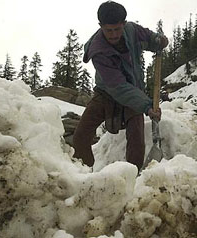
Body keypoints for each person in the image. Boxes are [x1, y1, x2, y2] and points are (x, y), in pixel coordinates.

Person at [72, 1, 168, 171]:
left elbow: (149, 38)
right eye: (109, 30)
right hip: (106, 93)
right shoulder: (98, 50)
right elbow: (117, 86)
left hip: (134, 90)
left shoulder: (132, 30)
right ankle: (85, 176)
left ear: (123, 24)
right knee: (81, 135)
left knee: (136, 138)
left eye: (117, 29)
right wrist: (146, 105)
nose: (114, 34)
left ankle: (132, 177)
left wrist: (158, 41)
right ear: (101, 26)